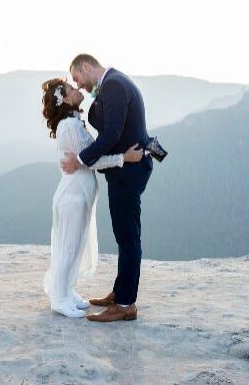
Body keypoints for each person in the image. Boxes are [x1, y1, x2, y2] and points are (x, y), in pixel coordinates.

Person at [61, 54, 153, 322]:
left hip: (128, 172)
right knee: (125, 235)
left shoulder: (113, 84)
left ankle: (125, 305)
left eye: (78, 79)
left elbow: (111, 133)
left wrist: (80, 160)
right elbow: (111, 127)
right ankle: (120, 292)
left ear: (86, 67)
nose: (79, 86)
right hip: (125, 170)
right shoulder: (113, 83)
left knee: (128, 238)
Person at [41, 78, 143, 318]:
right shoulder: (69, 125)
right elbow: (92, 159)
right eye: (71, 89)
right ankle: (59, 298)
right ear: (65, 99)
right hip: (73, 195)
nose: (77, 90)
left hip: (81, 193)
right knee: (68, 246)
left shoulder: (74, 122)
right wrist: (123, 158)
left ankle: (66, 290)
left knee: (76, 244)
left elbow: (86, 157)